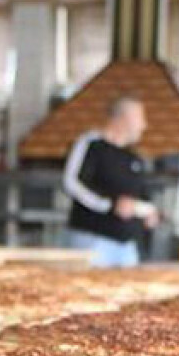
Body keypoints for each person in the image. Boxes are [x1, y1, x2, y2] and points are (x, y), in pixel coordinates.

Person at [62, 94, 158, 268]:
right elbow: (72, 182)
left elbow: (141, 195)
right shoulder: (91, 144)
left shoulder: (133, 158)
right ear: (123, 118)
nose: (144, 126)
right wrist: (110, 205)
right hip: (92, 241)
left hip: (127, 246)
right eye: (140, 118)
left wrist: (149, 212)